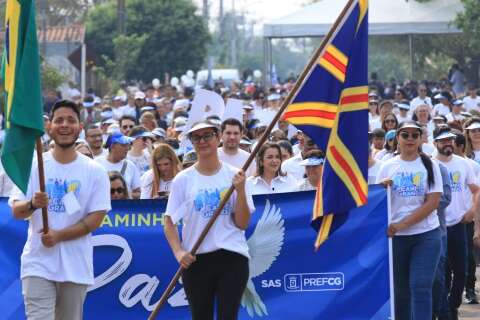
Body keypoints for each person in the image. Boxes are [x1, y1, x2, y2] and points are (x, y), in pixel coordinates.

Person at [9, 100, 111, 320]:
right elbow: (16, 211)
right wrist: (33, 204)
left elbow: (95, 219)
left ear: (80, 127)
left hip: (75, 266)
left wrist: (59, 235)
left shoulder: (95, 171)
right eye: (59, 120)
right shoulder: (33, 166)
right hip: (37, 263)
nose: (65, 125)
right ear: (49, 127)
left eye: (71, 120)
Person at [163, 120, 254, 320]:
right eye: (196, 137)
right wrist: (179, 252)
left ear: (218, 137)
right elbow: (169, 221)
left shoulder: (235, 175)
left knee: (227, 316)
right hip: (197, 259)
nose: (202, 141)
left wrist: (239, 190)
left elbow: (243, 223)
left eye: (207, 136)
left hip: (232, 256)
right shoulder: (183, 179)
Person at [376, 120, 442, 320]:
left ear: (421, 139)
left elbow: (433, 202)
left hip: (426, 235)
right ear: (397, 138)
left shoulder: (431, 165)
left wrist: (403, 224)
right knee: (400, 292)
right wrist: (381, 188)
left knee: (420, 287)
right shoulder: (387, 167)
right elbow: (377, 202)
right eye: (406, 135)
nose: (410, 139)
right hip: (396, 238)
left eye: (415, 135)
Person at [432, 126, 479, 320]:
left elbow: (476, 190)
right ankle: (444, 311)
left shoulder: (464, 164)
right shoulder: (430, 164)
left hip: (459, 224)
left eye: (450, 140)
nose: (447, 143)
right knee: (441, 272)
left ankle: (452, 305)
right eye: (443, 141)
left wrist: (472, 211)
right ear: (435, 143)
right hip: (436, 226)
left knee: (462, 270)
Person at [96, 132, 142, 199]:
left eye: (128, 145)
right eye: (123, 145)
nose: (127, 148)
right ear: (112, 146)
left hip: (124, 208)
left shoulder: (131, 166)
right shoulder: (97, 164)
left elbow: (139, 193)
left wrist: (125, 194)